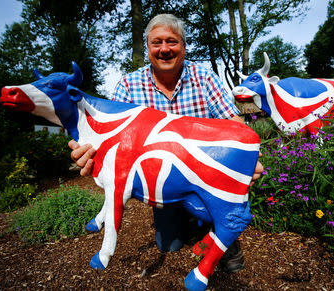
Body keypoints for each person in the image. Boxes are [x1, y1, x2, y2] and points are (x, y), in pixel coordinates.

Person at [69, 13, 263, 273]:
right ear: (148, 47)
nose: (164, 49)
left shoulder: (204, 78)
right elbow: (109, 137)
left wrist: (248, 158)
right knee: (168, 245)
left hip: (205, 172)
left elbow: (234, 122)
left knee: (218, 213)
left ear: (183, 46)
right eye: (156, 42)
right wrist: (88, 155)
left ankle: (217, 228)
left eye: (171, 42)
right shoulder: (128, 86)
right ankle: (191, 219)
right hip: (163, 178)